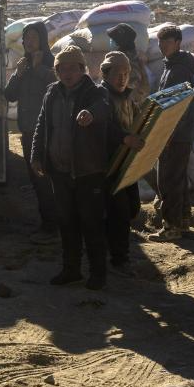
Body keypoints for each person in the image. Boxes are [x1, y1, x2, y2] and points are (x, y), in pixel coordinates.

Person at [31, 46, 123, 291]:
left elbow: (103, 109)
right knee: (67, 222)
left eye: (73, 68)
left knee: (91, 223)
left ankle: (97, 273)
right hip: (59, 171)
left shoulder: (94, 92)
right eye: (62, 69)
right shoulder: (52, 92)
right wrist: (36, 155)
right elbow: (42, 124)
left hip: (87, 171)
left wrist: (90, 114)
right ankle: (71, 270)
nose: (68, 73)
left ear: (83, 70)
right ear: (57, 71)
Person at [4, 21, 59, 243]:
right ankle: (48, 223)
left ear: (42, 40)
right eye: (26, 38)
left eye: (33, 37)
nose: (28, 42)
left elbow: (58, 89)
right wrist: (18, 74)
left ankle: (52, 227)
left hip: (48, 133)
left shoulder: (52, 63)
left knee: (47, 180)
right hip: (28, 133)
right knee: (37, 180)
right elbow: (9, 95)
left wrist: (38, 69)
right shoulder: (23, 65)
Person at [148, 25, 194, 241]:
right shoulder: (173, 65)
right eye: (160, 42)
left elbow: (177, 108)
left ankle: (171, 226)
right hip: (179, 134)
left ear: (178, 43)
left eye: (167, 42)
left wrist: (167, 134)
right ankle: (183, 220)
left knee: (168, 180)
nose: (162, 46)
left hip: (175, 134)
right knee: (177, 178)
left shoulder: (178, 70)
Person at [97, 51, 145, 276]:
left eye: (126, 73)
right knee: (119, 212)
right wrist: (125, 138)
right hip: (108, 165)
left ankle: (111, 246)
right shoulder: (101, 96)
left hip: (126, 164)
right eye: (117, 73)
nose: (122, 78)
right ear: (106, 74)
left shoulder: (127, 98)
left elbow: (138, 122)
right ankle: (120, 258)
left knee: (133, 207)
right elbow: (103, 126)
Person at [105, 23, 150, 102]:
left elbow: (129, 90)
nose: (111, 41)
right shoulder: (133, 56)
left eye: (113, 39)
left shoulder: (124, 61)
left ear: (120, 43)